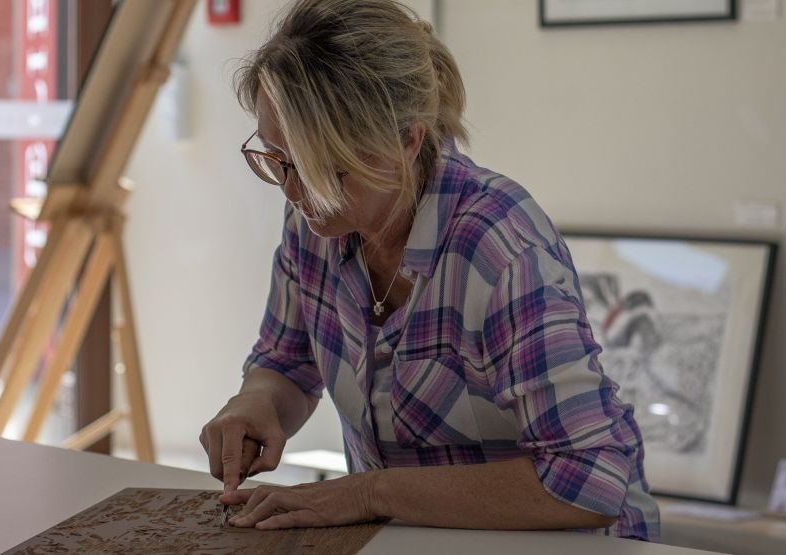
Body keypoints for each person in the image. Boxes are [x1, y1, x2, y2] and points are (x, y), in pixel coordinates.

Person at [200, 0, 660, 541]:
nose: (295, 191)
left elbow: (588, 481)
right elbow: (287, 361)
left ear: (408, 140)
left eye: (325, 167)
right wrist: (256, 402)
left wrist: (368, 493)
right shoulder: (314, 224)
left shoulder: (498, 247)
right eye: (279, 160)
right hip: (418, 537)